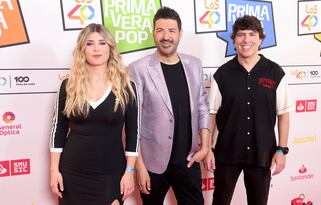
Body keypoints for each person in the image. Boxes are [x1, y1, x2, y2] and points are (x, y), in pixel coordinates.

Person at [204, 15, 293, 205]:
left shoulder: (275, 72)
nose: (246, 40)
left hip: (262, 153)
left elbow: (283, 114)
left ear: (260, 39)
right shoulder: (222, 74)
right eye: (241, 35)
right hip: (227, 152)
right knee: (220, 201)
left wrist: (282, 150)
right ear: (234, 40)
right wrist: (208, 148)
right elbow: (211, 114)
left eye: (252, 34)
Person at [128, 6, 210, 205]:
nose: (166, 36)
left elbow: (202, 106)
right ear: (153, 33)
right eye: (160, 30)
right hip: (152, 163)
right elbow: (133, 122)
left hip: (189, 160)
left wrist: (205, 146)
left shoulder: (195, 64)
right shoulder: (138, 69)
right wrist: (139, 167)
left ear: (180, 34)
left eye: (172, 31)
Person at [49, 23, 139, 205]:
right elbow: (57, 130)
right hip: (72, 174)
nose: (96, 48)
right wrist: (54, 171)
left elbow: (133, 133)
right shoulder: (68, 86)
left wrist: (130, 172)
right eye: (90, 43)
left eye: (102, 43)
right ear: (82, 49)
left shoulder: (127, 87)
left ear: (110, 48)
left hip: (111, 173)